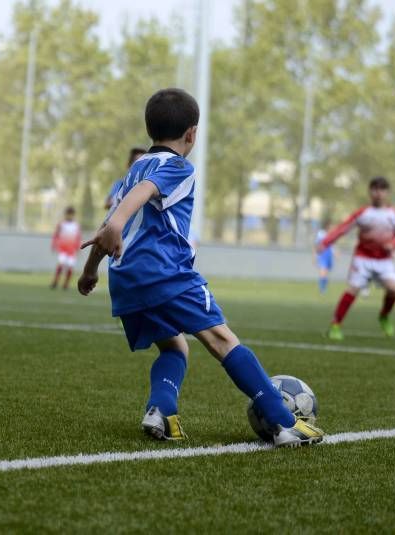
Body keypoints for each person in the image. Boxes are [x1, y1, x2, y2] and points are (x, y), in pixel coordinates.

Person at [78, 88, 323, 446]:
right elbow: (135, 201)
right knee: (222, 340)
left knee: (176, 348)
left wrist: (90, 269)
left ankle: (160, 410)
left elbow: (114, 217)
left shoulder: (135, 168)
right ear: (191, 134)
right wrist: (116, 226)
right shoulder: (176, 166)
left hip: (127, 278)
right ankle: (284, 422)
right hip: (165, 272)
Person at [318, 177, 395, 340]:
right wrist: (326, 242)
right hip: (363, 259)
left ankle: (384, 316)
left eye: (382, 189)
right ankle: (335, 325)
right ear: (370, 192)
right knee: (352, 290)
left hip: (384, 260)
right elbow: (343, 228)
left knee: (393, 290)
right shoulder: (363, 213)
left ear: (387, 193)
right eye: (374, 189)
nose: (378, 193)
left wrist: (393, 244)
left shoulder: (394, 214)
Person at [50, 206, 82, 290]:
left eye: (71, 214)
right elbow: (56, 235)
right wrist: (53, 244)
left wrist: (78, 247)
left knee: (70, 268)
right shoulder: (61, 224)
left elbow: (78, 237)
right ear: (65, 214)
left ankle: (66, 284)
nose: (69, 216)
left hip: (71, 250)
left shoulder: (76, 225)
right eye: (68, 214)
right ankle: (55, 281)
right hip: (63, 249)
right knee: (61, 265)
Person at [314, 220, 334, 294]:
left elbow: (332, 246)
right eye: (331, 226)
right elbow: (317, 245)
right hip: (322, 255)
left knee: (326, 273)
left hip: (329, 256)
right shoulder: (321, 234)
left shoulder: (331, 234)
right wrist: (315, 256)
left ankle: (324, 288)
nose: (332, 228)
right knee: (323, 273)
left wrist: (335, 253)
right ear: (327, 226)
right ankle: (322, 290)